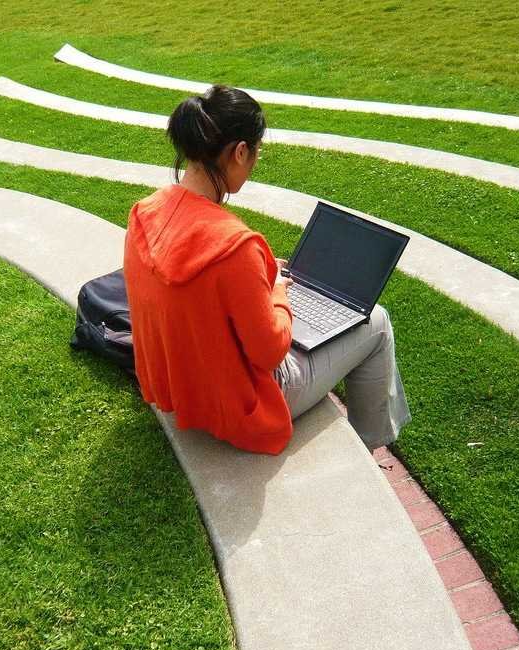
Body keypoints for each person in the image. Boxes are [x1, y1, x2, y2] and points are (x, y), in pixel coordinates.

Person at [123, 85, 411, 455]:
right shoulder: (236, 246)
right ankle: (373, 446)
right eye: (257, 152)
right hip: (241, 405)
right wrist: (275, 288)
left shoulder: (144, 213)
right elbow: (270, 352)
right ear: (241, 152)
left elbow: (201, 287)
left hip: (182, 386)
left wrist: (259, 279)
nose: (255, 162)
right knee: (378, 323)